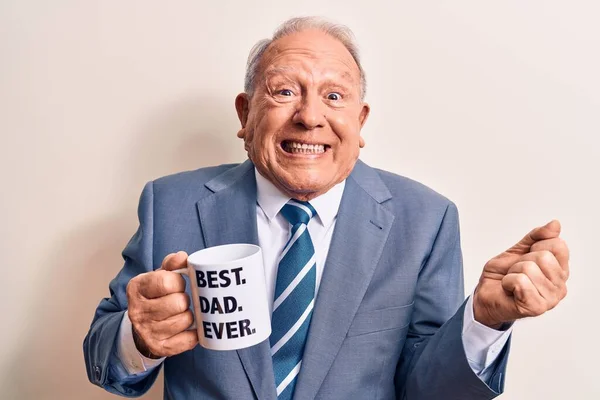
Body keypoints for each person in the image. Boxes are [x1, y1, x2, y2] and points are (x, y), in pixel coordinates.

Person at [83, 17, 570, 399]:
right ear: (244, 114)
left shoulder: (426, 220)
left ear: (359, 124)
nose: (310, 116)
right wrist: (139, 337)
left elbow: (430, 392)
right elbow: (102, 358)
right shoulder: (171, 203)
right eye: (285, 91)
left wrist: (485, 319)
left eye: (333, 96)